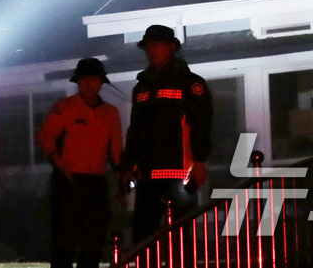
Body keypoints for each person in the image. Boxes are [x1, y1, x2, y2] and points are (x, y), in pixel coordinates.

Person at [119, 24, 213, 244]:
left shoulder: (190, 84)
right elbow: (135, 131)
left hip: (180, 174)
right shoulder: (141, 87)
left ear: (172, 47)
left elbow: (201, 124)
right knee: (142, 238)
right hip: (147, 175)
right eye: (148, 46)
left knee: (181, 241)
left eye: (157, 45)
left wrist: (199, 162)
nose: (152, 50)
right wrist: (127, 167)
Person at [36, 57, 124, 268]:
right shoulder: (64, 107)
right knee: (63, 244)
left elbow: (116, 152)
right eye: (84, 80)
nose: (89, 85)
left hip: (96, 184)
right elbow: (45, 136)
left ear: (101, 83)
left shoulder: (110, 113)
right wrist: (57, 160)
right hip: (68, 182)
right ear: (77, 82)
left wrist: (122, 182)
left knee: (93, 245)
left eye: (94, 81)